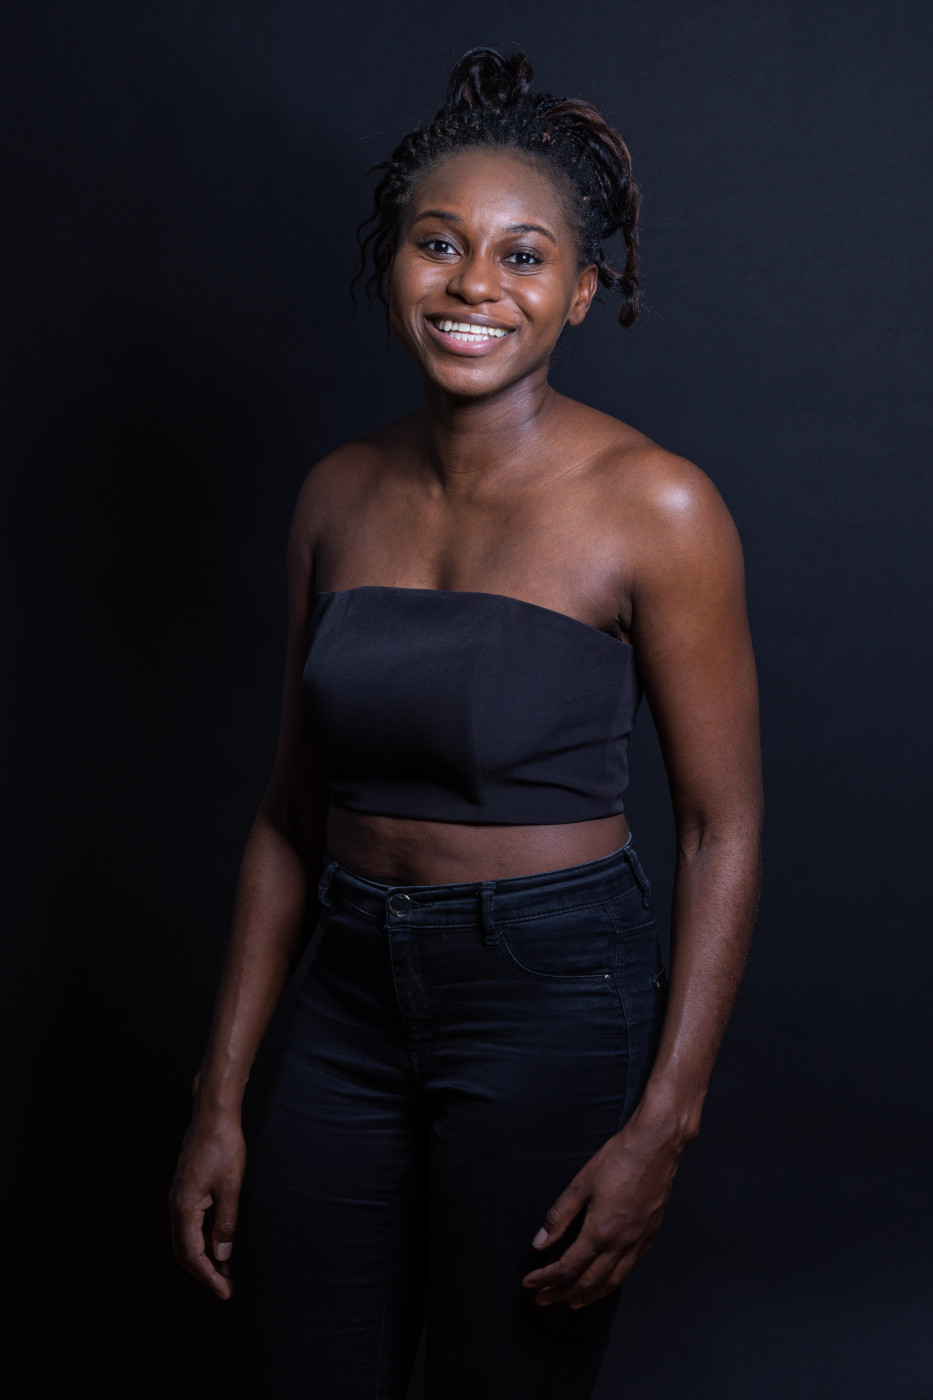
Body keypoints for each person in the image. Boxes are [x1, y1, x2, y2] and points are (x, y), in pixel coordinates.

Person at [169, 45, 763, 1400]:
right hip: (347, 993)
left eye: (522, 256)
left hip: (551, 994)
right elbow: (287, 815)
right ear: (394, 267)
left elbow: (720, 828)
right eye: (439, 244)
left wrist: (664, 1125)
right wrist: (217, 1097)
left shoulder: (659, 507)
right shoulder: (335, 494)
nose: (474, 285)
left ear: (579, 291)